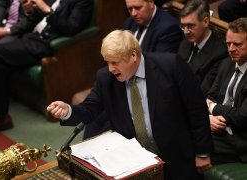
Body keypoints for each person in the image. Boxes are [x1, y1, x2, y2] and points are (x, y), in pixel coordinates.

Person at [47, 30, 213, 180]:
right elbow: (89, 109)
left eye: (115, 62)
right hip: (133, 162)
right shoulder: (106, 78)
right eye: (107, 62)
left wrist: (202, 152)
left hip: (176, 156)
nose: (111, 68)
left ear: (133, 55)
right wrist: (67, 111)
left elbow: (196, 109)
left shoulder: (170, 66)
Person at [0, 0, 93, 138]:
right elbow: (34, 19)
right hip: (31, 37)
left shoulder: (83, 1)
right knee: (1, 65)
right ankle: (2, 117)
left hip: (47, 44)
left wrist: (47, 10)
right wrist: (30, 11)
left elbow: (70, 28)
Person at [83, 0, 184, 139]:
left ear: (151, 2)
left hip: (144, 88)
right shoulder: (129, 23)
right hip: (125, 80)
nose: (133, 13)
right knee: (94, 117)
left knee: (107, 121)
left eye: (137, 8)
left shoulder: (168, 28)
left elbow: (156, 68)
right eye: (130, 9)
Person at [207, 17, 247, 164]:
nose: (230, 49)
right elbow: (209, 96)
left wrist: (213, 107)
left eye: (237, 44)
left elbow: (241, 117)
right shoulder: (226, 64)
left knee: (191, 147)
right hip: (217, 129)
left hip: (238, 140)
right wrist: (209, 118)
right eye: (228, 43)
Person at [177, 0, 229, 95]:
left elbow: (202, 91)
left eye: (190, 26)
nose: (186, 32)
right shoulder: (185, 42)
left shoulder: (220, 53)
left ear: (205, 22)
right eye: (183, 26)